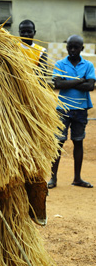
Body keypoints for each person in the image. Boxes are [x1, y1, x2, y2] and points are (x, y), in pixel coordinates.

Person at [48, 35, 95, 189]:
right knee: (59, 143)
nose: (73, 50)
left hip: (80, 109)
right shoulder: (60, 64)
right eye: (70, 47)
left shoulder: (88, 65)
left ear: (82, 48)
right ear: (66, 47)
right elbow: (58, 83)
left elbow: (90, 86)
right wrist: (79, 80)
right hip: (63, 108)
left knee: (78, 141)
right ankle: (53, 179)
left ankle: (77, 178)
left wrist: (69, 83)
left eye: (76, 47)